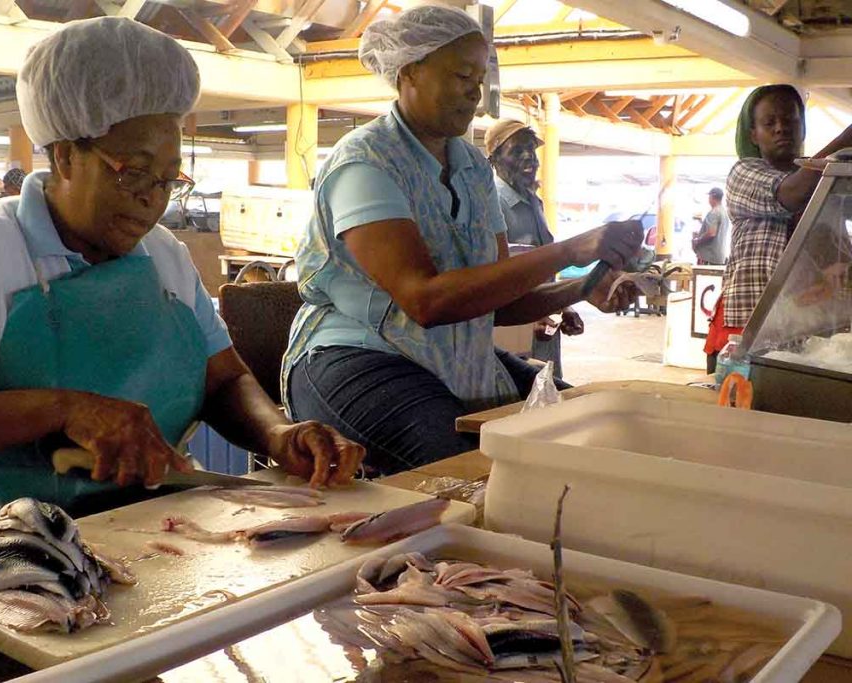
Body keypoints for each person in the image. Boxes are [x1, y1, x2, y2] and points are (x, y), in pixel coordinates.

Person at [0, 16, 364, 554]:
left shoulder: (166, 255)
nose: (152, 198)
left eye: (169, 179)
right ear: (64, 155)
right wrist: (67, 410)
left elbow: (224, 380)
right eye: (132, 170)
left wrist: (277, 433)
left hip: (152, 545)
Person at [281, 6, 642, 476]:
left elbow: (495, 301)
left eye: (479, 78)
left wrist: (582, 285)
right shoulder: (365, 163)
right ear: (410, 72)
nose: (474, 92)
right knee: (477, 469)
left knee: (579, 427)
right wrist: (571, 250)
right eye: (461, 75)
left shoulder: (471, 168)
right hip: (360, 355)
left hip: (451, 355)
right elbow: (424, 300)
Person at [704, 84, 852, 374]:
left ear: (803, 128)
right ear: (753, 135)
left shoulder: (826, 186)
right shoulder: (744, 172)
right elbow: (790, 194)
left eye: (789, 120)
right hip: (744, 326)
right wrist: (846, 139)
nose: (781, 128)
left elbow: (833, 248)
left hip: (798, 325)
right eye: (769, 123)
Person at [484, 119, 584, 378]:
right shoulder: (491, 205)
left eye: (531, 149)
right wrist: (528, 318)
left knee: (548, 400)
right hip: (512, 331)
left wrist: (564, 306)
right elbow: (493, 276)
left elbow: (541, 268)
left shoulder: (533, 203)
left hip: (544, 326)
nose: (529, 157)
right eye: (517, 151)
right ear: (494, 159)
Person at [692, 187, 729, 266]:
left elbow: (711, 233)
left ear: (712, 197)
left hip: (709, 257)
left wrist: (697, 240)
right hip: (719, 256)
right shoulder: (724, 212)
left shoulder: (714, 212)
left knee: (704, 277)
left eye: (709, 197)